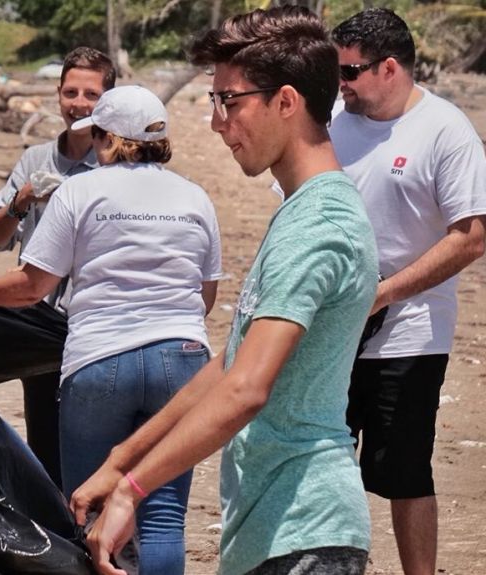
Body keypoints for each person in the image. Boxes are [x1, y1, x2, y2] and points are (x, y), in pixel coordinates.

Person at [69, 7, 378, 575]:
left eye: (228, 102)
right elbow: (230, 364)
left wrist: (133, 489)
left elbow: (245, 391)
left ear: (286, 102)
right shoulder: (299, 212)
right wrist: (123, 459)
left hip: (305, 530)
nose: (216, 123)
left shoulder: (320, 224)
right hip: (272, 533)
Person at [0, 84, 223, 575]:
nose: (93, 144)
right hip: (182, 360)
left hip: (101, 361)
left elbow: (32, 286)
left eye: (96, 135)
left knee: (90, 512)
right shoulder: (195, 196)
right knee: (162, 519)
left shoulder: (81, 190)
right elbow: (206, 296)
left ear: (111, 139)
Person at [330, 9, 486, 574]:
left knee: (404, 472)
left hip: (412, 333)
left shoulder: (446, 130)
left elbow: (470, 238)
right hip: (331, 327)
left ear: (389, 67)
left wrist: (383, 293)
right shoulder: (333, 120)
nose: (340, 83)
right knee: (324, 460)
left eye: (349, 71)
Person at [0, 46, 115, 488]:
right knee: (46, 450)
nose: (80, 103)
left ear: (108, 100)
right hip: (38, 326)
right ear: (57, 95)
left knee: (97, 452)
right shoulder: (36, 161)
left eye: (92, 94)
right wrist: (20, 203)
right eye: (71, 92)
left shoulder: (119, 165)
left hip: (96, 327)